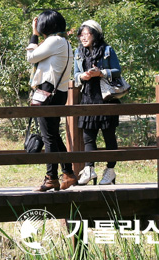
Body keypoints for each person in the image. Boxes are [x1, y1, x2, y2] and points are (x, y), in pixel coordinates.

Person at [26, 10, 77, 192]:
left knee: (49, 136)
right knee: (53, 135)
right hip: (58, 93)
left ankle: (51, 178)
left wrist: (34, 34)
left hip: (48, 92)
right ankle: (68, 173)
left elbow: (31, 57)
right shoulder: (64, 42)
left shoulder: (54, 41)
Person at [74, 20, 120, 185]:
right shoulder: (78, 52)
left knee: (109, 136)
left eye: (87, 34)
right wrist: (82, 76)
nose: (83, 37)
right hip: (88, 98)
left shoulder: (108, 50)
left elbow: (117, 71)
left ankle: (110, 171)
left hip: (107, 98)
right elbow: (75, 74)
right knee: (88, 136)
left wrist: (101, 73)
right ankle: (89, 169)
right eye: (81, 34)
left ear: (96, 35)